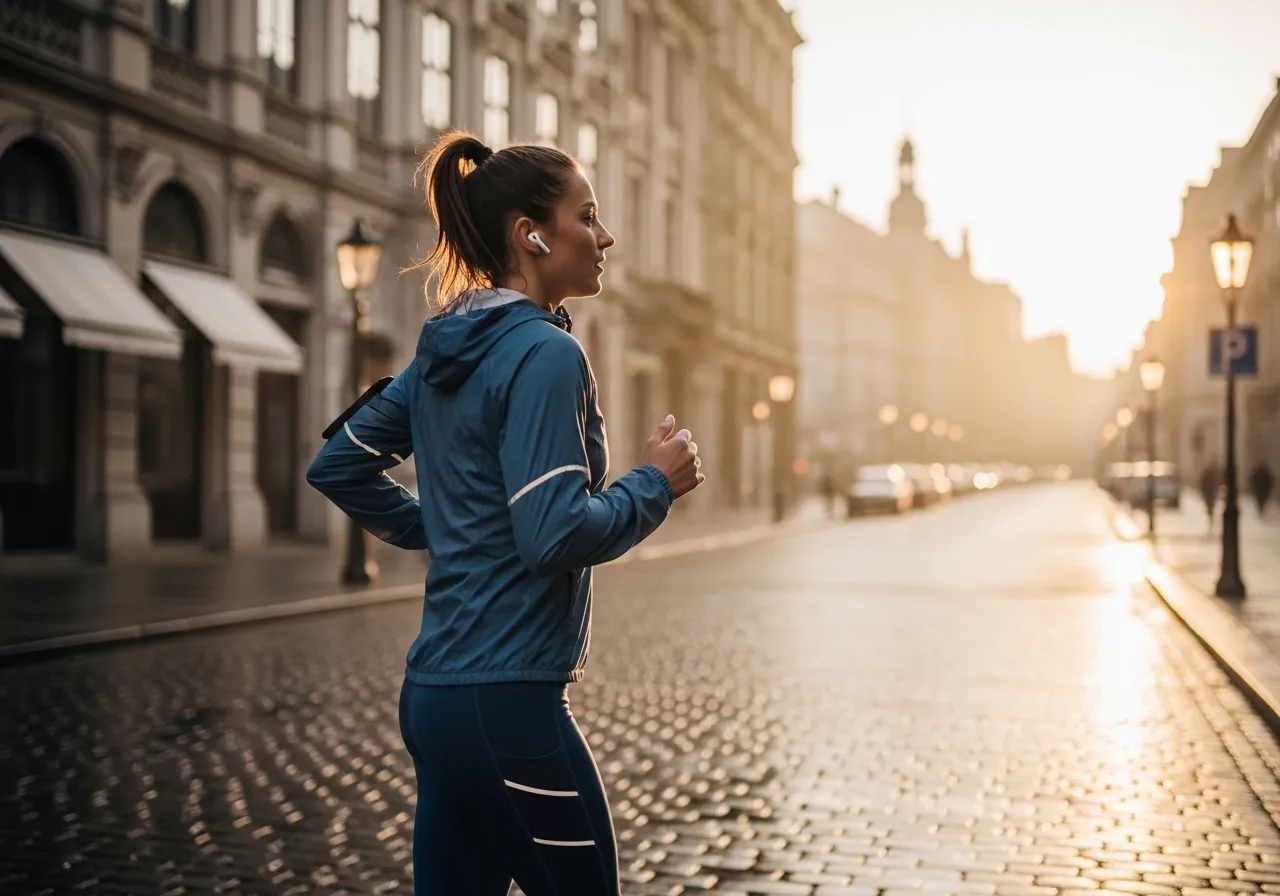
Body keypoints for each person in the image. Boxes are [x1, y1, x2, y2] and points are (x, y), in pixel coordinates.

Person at [305, 130, 704, 895]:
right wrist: (654, 484)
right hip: (508, 707)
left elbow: (340, 465)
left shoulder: (438, 354)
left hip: (434, 703)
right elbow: (553, 533)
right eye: (586, 216)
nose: (604, 236)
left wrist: (447, 529)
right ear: (530, 235)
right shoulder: (546, 353)